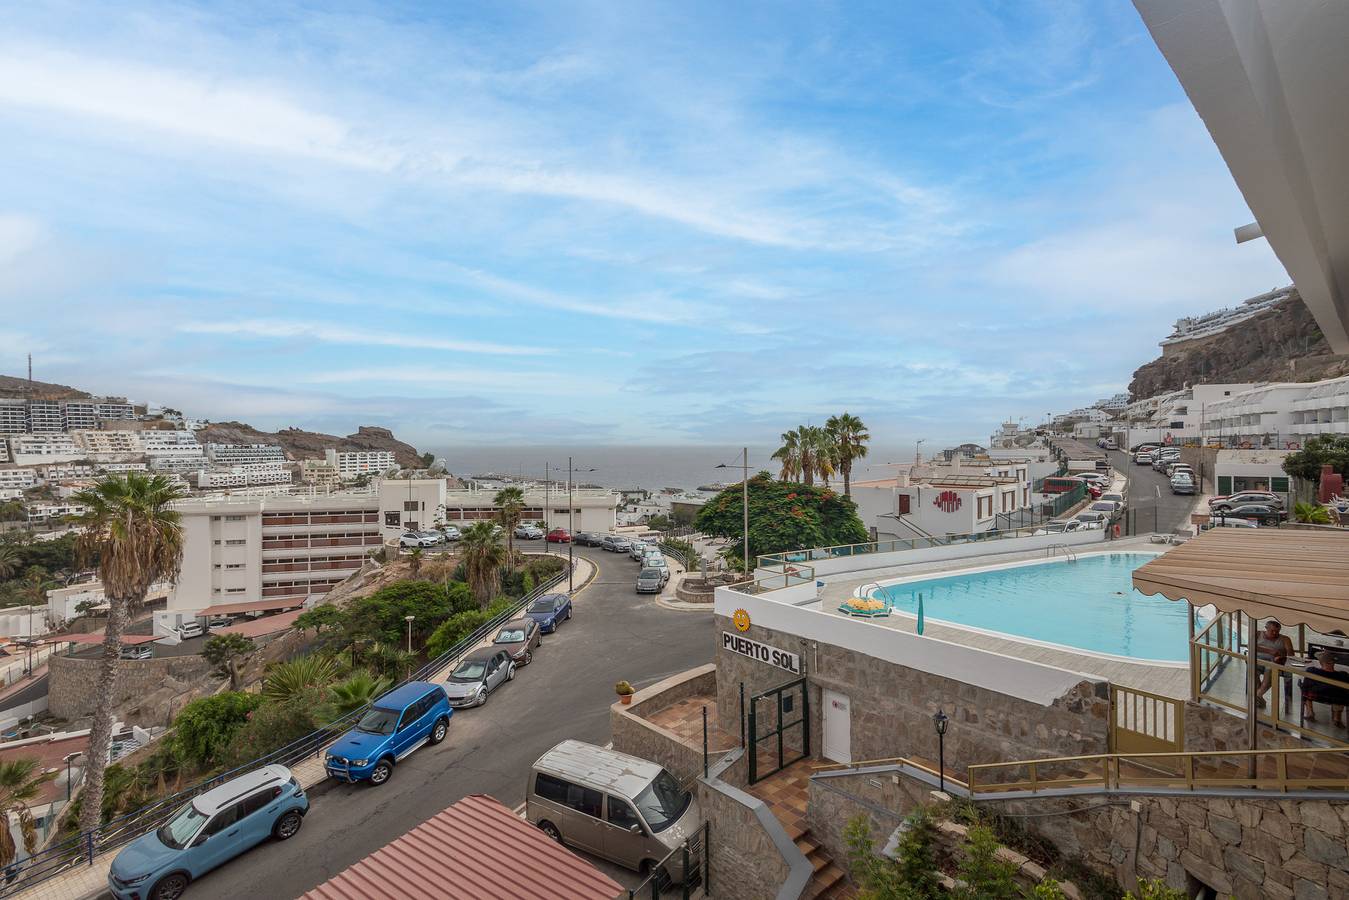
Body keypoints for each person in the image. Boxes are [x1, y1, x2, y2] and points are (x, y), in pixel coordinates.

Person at [1301, 650, 1349, 727]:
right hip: (1336, 698)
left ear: (1320, 662)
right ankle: (1337, 718)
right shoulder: (1343, 675)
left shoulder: (1312, 671)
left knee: (1306, 687)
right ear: (1333, 663)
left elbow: (1306, 686)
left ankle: (1310, 712)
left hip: (1316, 695)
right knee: (1341, 693)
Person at [1255, 620, 1294, 707]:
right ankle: (1259, 697)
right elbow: (1250, 645)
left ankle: (1257, 696)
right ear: (1266, 628)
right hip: (1258, 660)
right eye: (1272, 631)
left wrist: (1281, 656)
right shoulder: (1258, 634)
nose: (1274, 633)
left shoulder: (1285, 639)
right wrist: (1270, 651)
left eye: (1277, 631)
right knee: (1253, 671)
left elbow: (1291, 654)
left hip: (1274, 662)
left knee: (1270, 671)